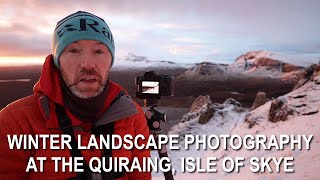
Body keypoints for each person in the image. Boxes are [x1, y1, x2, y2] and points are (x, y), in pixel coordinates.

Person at [0, 11, 151, 180]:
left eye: (99, 51)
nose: (87, 64)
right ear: (57, 61)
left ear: (110, 61)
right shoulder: (15, 122)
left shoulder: (132, 117)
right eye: (74, 50)